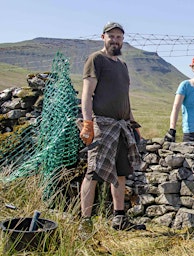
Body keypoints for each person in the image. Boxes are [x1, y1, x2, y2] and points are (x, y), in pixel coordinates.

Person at [79, 21, 145, 234]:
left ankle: (119, 219)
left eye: (119, 37)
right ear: (103, 37)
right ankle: (85, 222)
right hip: (102, 124)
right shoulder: (96, 59)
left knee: (121, 173)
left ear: (122, 40)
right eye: (111, 36)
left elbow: (124, 98)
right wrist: (88, 123)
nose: (115, 40)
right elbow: (87, 94)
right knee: (93, 172)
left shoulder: (122, 65)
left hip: (123, 126)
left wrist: (134, 125)